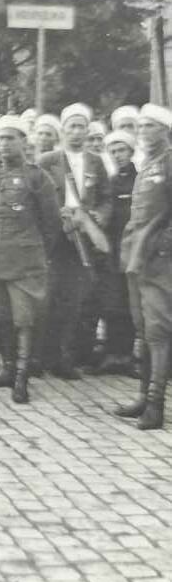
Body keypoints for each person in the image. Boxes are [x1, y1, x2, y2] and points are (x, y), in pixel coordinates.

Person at [0, 115, 62, 404]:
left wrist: (36, 251)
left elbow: (51, 224)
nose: (2, 145)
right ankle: (8, 368)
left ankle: (22, 377)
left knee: (23, 318)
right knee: (2, 317)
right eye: (0, 138)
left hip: (26, 260)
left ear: (24, 142)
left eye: (9, 138)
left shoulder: (39, 177)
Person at [37, 102, 112, 378]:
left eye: (82, 127)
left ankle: (63, 358)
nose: (77, 132)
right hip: (55, 239)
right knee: (48, 297)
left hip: (82, 239)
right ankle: (40, 357)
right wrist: (55, 215)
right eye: (72, 127)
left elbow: (106, 199)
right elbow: (38, 198)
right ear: (63, 130)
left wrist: (96, 217)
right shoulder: (48, 161)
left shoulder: (96, 161)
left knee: (72, 300)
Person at [115, 104, 172, 429]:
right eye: (141, 127)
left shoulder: (169, 161)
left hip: (159, 260)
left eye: (150, 126)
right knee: (143, 329)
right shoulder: (146, 164)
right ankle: (142, 396)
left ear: (165, 131)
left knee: (159, 331)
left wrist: (161, 247)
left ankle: (156, 405)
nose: (144, 132)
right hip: (136, 257)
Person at [87, 129, 138, 375]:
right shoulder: (110, 182)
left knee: (130, 304)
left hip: (135, 249)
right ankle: (111, 354)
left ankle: (126, 356)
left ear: (131, 151)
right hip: (112, 249)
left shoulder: (140, 179)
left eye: (122, 150)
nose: (118, 155)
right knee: (112, 302)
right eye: (114, 151)